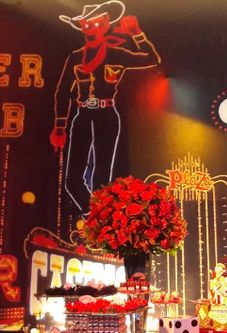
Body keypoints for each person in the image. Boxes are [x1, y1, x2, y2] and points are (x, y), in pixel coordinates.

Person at [50, 1, 160, 219]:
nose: (92, 29)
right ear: (82, 28)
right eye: (87, 25)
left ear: (106, 25)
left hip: (107, 116)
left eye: (97, 24)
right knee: (72, 180)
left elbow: (151, 59)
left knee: (101, 177)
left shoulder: (116, 54)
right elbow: (62, 91)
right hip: (83, 115)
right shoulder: (75, 57)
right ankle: (94, 215)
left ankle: (101, 220)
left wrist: (137, 33)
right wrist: (59, 125)